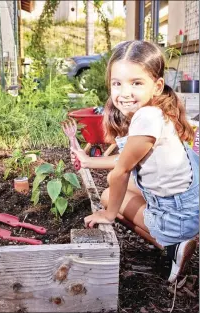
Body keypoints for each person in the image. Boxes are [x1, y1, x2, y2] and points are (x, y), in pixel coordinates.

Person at [70, 40, 199, 284]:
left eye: (136, 83)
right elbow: (129, 156)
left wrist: (108, 215)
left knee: (109, 196)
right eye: (117, 83)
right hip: (189, 199)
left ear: (157, 86)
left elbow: (120, 172)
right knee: (119, 190)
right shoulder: (157, 109)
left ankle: (173, 245)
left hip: (180, 214)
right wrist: (87, 161)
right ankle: (177, 236)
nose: (124, 92)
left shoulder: (146, 118)